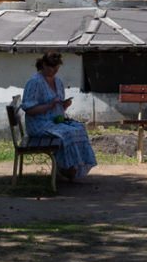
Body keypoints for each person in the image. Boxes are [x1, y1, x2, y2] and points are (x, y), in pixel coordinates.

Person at [22, 51, 96, 181]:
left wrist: (64, 105)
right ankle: (65, 168)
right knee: (67, 133)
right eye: (51, 67)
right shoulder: (34, 82)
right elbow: (29, 110)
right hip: (38, 124)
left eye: (56, 68)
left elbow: (58, 105)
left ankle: (74, 167)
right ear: (43, 65)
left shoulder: (58, 82)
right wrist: (50, 106)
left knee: (79, 128)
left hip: (55, 121)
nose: (53, 71)